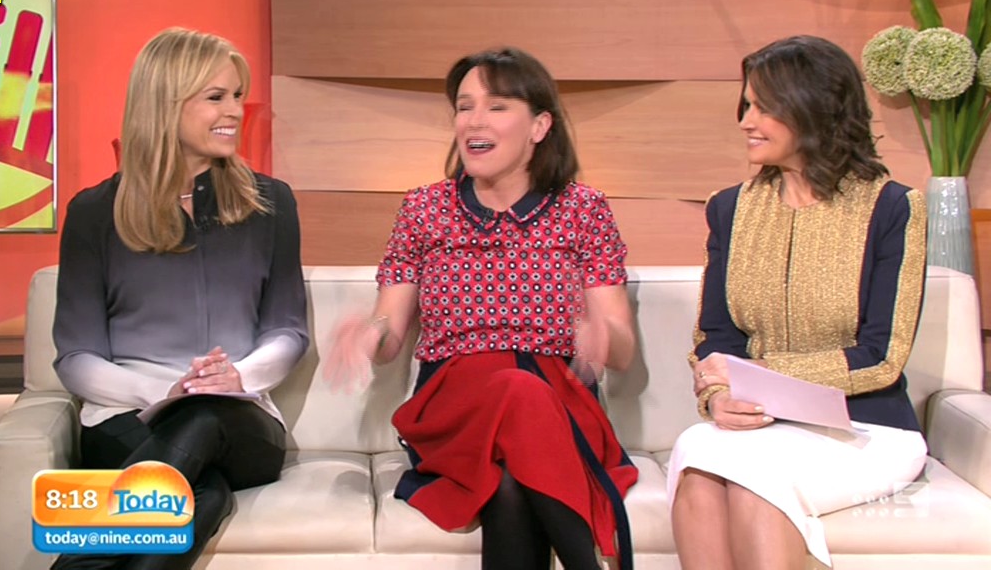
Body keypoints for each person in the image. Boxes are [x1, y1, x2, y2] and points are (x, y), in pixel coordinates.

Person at [326, 47, 638, 570]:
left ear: (539, 126)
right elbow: (390, 333)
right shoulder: (424, 208)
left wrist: (604, 338)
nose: (474, 120)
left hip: (558, 404)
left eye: (496, 106)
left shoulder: (583, 209)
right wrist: (368, 335)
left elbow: (622, 351)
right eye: (464, 106)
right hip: (455, 407)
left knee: (511, 479)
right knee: (515, 391)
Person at [667, 35, 928, 570]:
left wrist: (760, 374)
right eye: (746, 105)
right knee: (698, 466)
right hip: (764, 426)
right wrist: (718, 396)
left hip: (866, 428)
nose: (746, 121)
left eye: (763, 107)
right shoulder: (730, 209)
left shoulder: (892, 208)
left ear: (813, 108)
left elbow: (882, 356)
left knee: (755, 483)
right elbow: (716, 338)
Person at [50, 28, 308, 570]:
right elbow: (75, 356)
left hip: (238, 416)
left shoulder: (272, 203)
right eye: (215, 97)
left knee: (204, 416)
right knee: (202, 495)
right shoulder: (94, 213)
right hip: (127, 415)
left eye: (237, 95)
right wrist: (161, 392)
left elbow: (287, 329)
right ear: (164, 104)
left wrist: (238, 377)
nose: (234, 111)